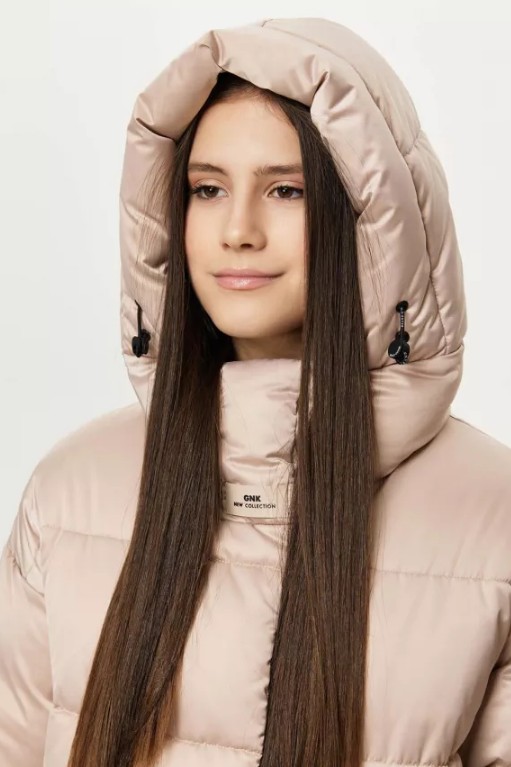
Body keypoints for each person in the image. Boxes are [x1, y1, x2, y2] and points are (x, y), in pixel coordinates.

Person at [0, 16, 510, 767]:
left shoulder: (491, 516)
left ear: (374, 220)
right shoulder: (70, 493)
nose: (237, 229)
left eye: (286, 190)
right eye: (207, 189)